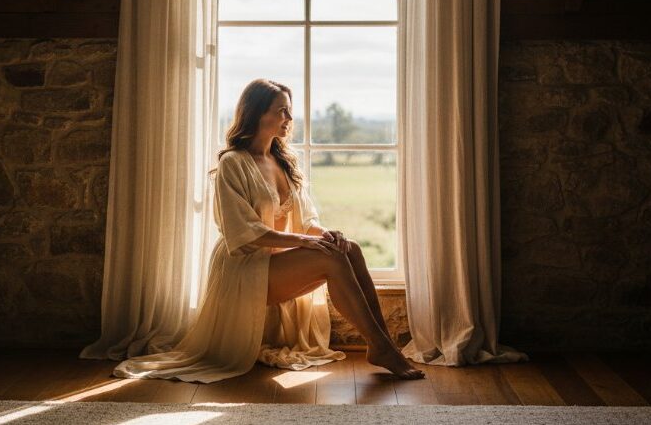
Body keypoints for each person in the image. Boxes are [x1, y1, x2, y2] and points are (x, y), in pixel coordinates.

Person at [112, 78, 424, 382]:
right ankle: (382, 348)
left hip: (277, 262)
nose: (289, 118)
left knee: (349, 248)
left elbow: (307, 219)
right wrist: (304, 241)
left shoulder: (284, 161)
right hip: (243, 268)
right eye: (282, 110)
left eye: (289, 111)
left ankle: (382, 344)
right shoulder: (233, 164)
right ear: (257, 113)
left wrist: (328, 235)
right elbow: (244, 232)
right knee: (330, 260)